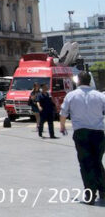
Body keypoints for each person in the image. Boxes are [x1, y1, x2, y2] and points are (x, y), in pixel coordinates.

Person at [60, 71, 105, 205]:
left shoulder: (71, 95)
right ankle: (102, 190)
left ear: (78, 81)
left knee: (85, 164)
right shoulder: (100, 95)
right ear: (89, 81)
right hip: (98, 133)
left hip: (81, 133)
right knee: (97, 162)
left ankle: (90, 193)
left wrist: (62, 126)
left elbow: (63, 113)